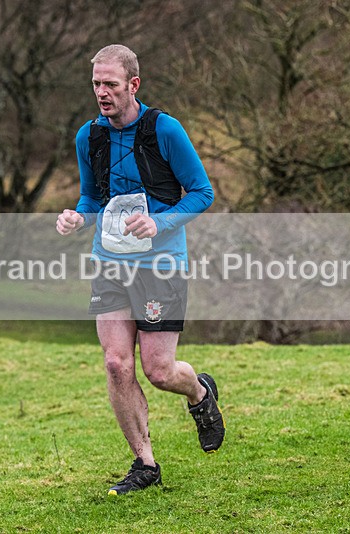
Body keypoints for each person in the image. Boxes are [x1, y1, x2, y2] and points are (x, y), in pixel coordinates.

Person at [56, 44, 224, 494]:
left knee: (159, 370)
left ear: (133, 84)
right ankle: (144, 464)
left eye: (110, 84)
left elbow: (202, 192)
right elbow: (94, 197)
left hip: (161, 263)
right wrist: (77, 217)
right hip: (110, 261)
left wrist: (159, 221)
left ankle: (200, 393)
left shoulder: (164, 130)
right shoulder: (87, 137)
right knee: (115, 364)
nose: (102, 93)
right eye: (96, 84)